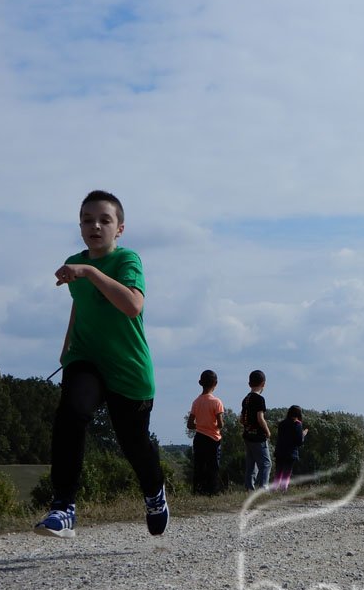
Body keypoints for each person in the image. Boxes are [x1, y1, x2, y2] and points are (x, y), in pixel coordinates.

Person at [34, 190, 168, 539]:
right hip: (86, 358)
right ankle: (64, 507)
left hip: (128, 368)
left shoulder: (127, 261)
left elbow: (132, 305)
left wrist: (90, 272)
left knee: (134, 444)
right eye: (88, 219)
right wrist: (66, 350)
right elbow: (81, 305)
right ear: (80, 226)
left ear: (119, 228)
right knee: (71, 413)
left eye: (104, 220)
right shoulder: (76, 262)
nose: (95, 225)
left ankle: (155, 494)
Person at [188, 369, 224, 495]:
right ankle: (212, 490)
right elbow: (220, 423)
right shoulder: (216, 402)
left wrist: (201, 425)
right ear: (216, 383)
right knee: (213, 466)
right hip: (213, 439)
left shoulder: (196, 402)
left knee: (199, 465)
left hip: (199, 438)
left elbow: (190, 424)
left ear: (200, 383)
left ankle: (198, 490)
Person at [241, 369, 272, 491]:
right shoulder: (260, 399)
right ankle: (263, 488)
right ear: (263, 384)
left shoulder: (246, 399)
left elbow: (241, 419)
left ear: (249, 384)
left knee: (251, 463)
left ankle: (249, 487)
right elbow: (260, 418)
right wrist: (267, 431)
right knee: (266, 463)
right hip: (258, 436)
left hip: (247, 435)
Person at [272, 405, 308, 491]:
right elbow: (299, 442)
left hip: (280, 451)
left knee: (278, 471)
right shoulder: (297, 424)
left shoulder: (282, 423)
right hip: (290, 452)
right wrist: (303, 434)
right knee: (287, 472)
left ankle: (274, 488)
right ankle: (283, 489)